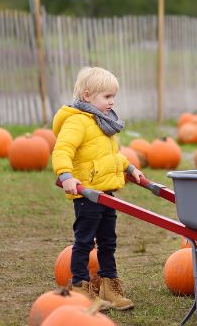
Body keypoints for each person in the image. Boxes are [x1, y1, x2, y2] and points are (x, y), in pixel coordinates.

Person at [52, 66, 144, 310]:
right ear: (87, 95)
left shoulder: (103, 123)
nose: (112, 102)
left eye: (113, 96)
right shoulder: (76, 122)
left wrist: (129, 168)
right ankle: (80, 287)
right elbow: (62, 150)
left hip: (106, 193)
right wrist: (66, 175)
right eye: (107, 97)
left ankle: (108, 284)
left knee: (107, 241)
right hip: (87, 193)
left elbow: (111, 156)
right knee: (84, 242)